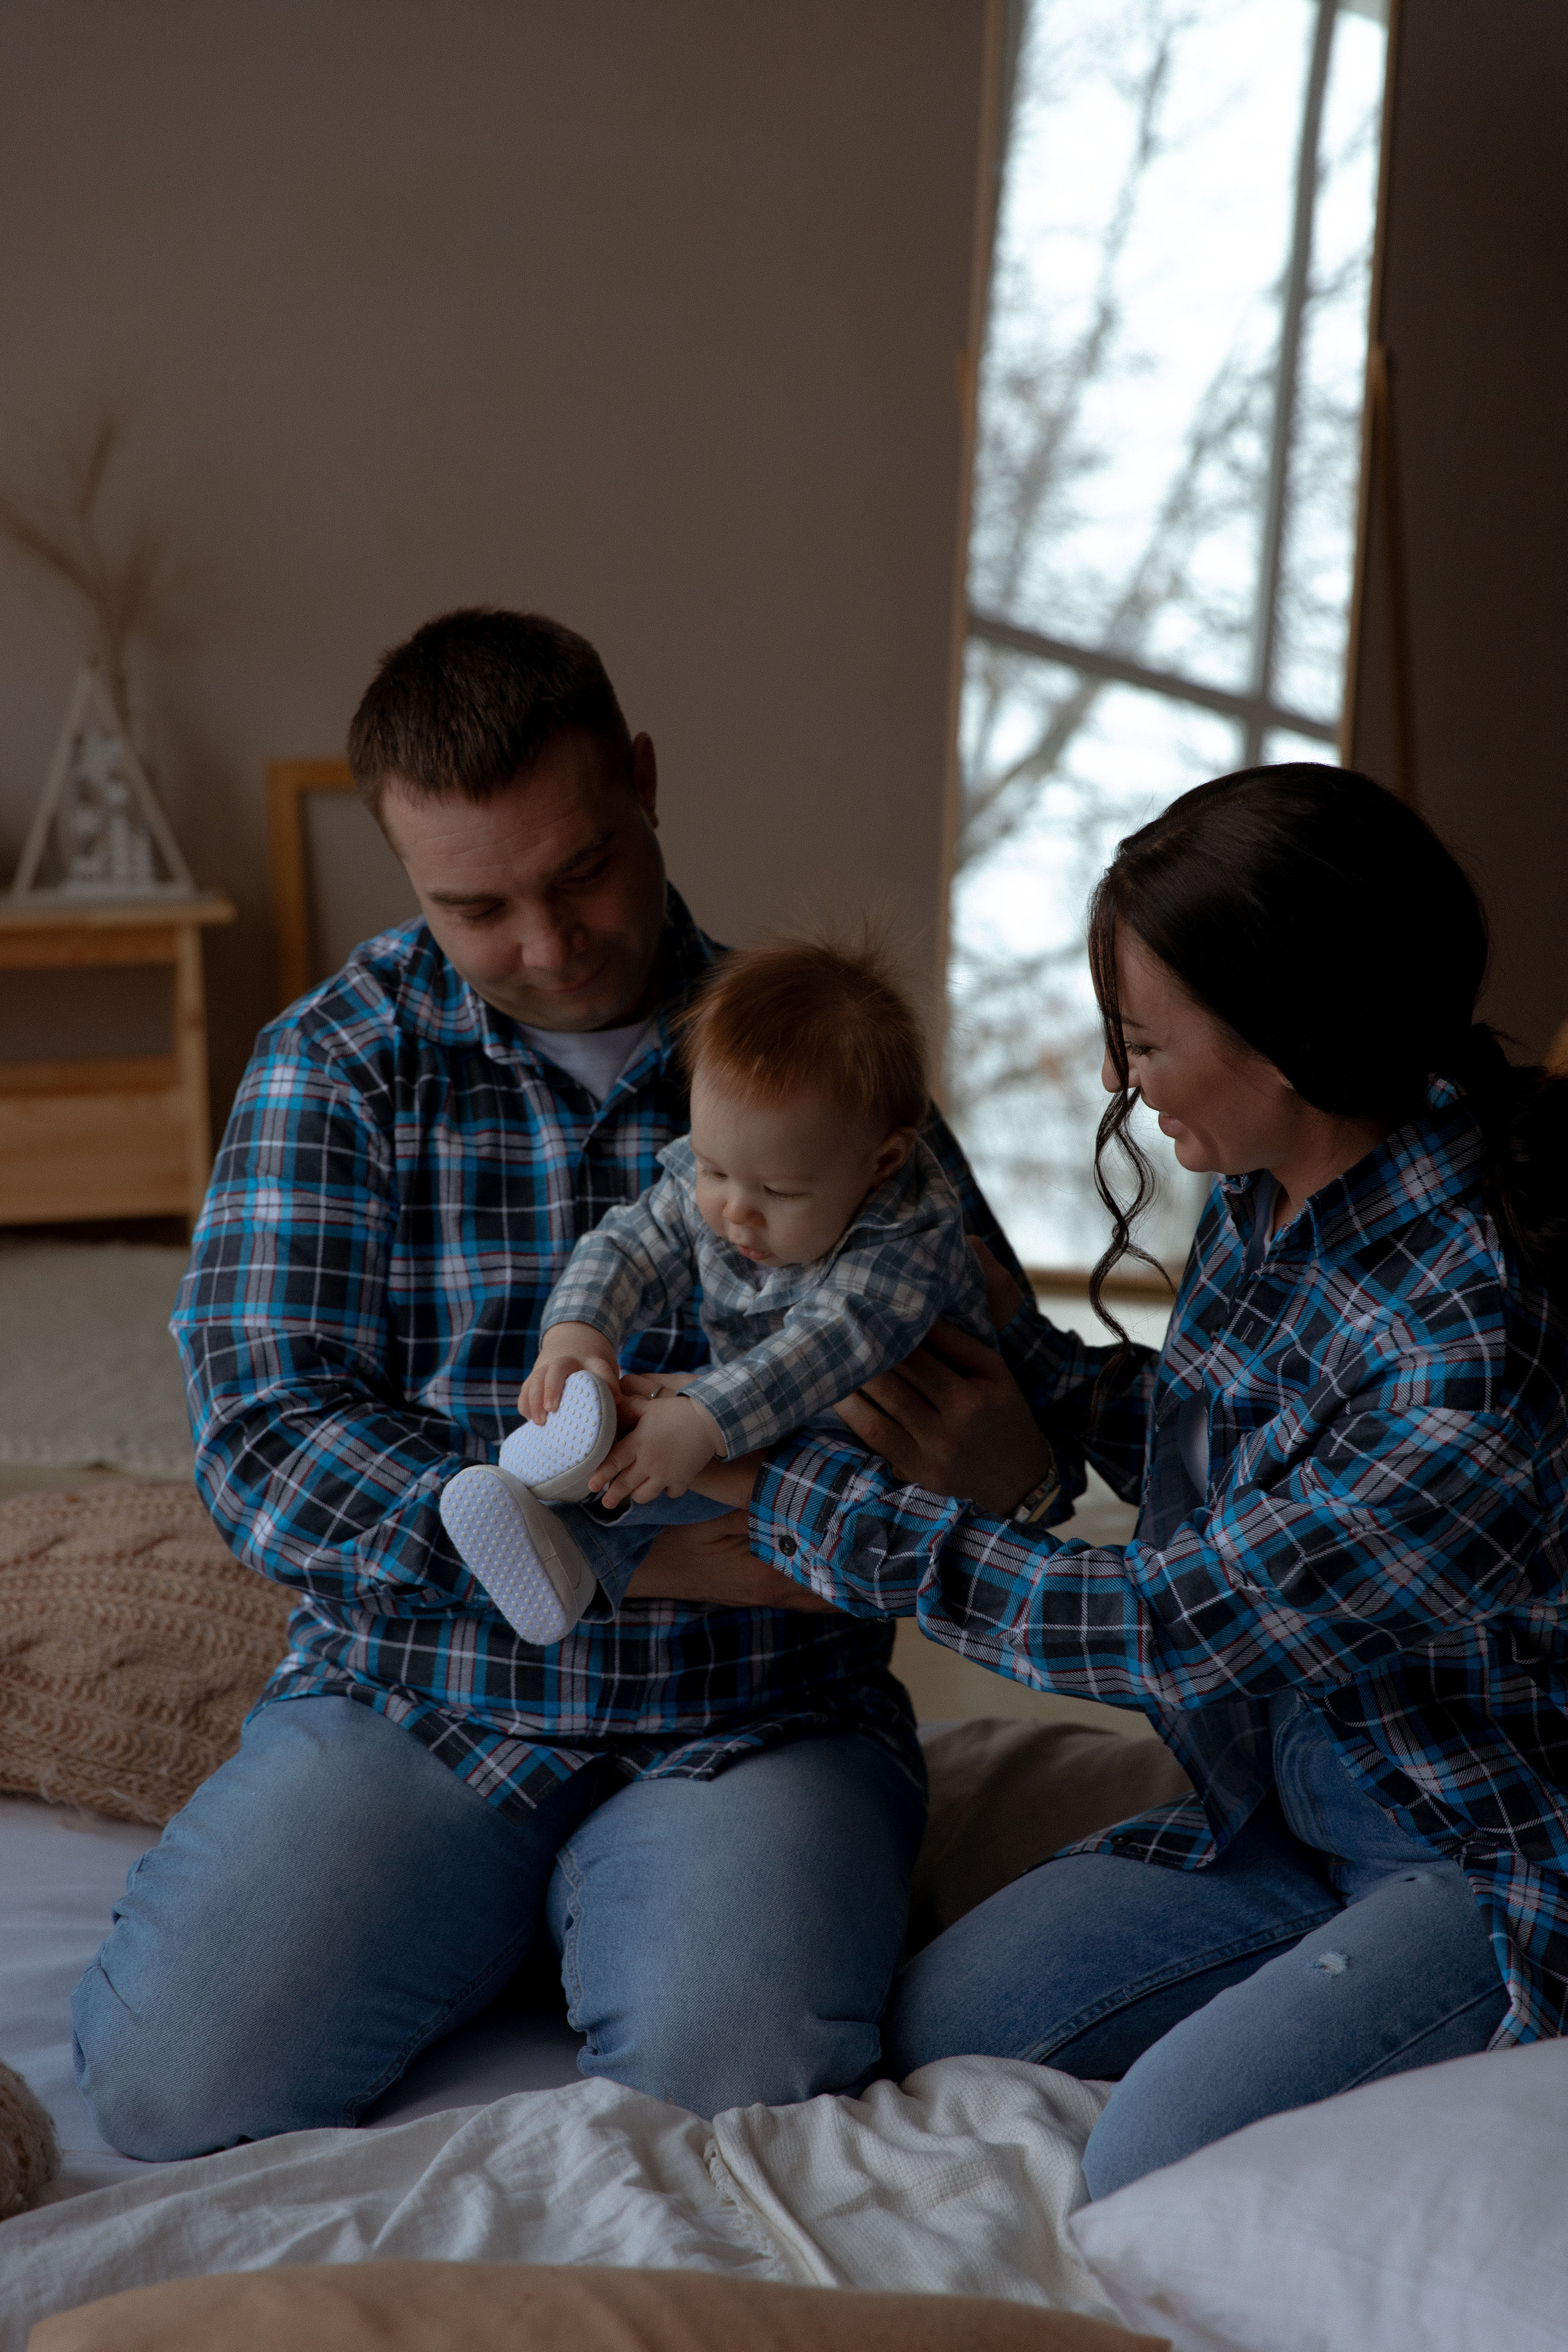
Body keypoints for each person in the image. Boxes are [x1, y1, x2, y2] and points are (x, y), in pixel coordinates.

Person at [70, 607, 1038, 2160]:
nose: (546, 940)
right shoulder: (337, 1060)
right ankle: (497, 1908)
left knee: (734, 2086)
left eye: (580, 869)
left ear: (643, 780)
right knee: (170, 2085)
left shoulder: (816, 1050)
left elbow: (1015, 1405)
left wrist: (1003, 1463)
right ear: (405, 870)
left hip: (753, 1716)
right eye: (476, 906)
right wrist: (632, 1556)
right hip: (418, 1698)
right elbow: (264, 1432)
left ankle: (612, 1911)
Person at [693, 766, 1568, 2197]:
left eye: (1143, 1042)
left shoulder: (1463, 1351)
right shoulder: (1270, 1182)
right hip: (1274, 1797)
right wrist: (1025, 1368)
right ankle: (1314, 1982)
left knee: (1148, 2167)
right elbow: (1253, 1456)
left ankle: (1427, 2003)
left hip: (1464, 1847)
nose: (1117, 1080)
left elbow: (1174, 1620)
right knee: (945, 2023)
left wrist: (805, 1508)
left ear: (1285, 1039)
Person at [439, 932, 993, 1645]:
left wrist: (703, 1420)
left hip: (882, 1438)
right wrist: (580, 1331)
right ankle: (560, 1519)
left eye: (780, 1191)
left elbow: (821, 1349)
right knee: (649, 1448)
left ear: (881, 1162)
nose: (734, 1210)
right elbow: (629, 1244)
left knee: (719, 1448)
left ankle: (578, 1519)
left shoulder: (908, 1240)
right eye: (711, 1169)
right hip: (756, 1404)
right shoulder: (737, 1178)